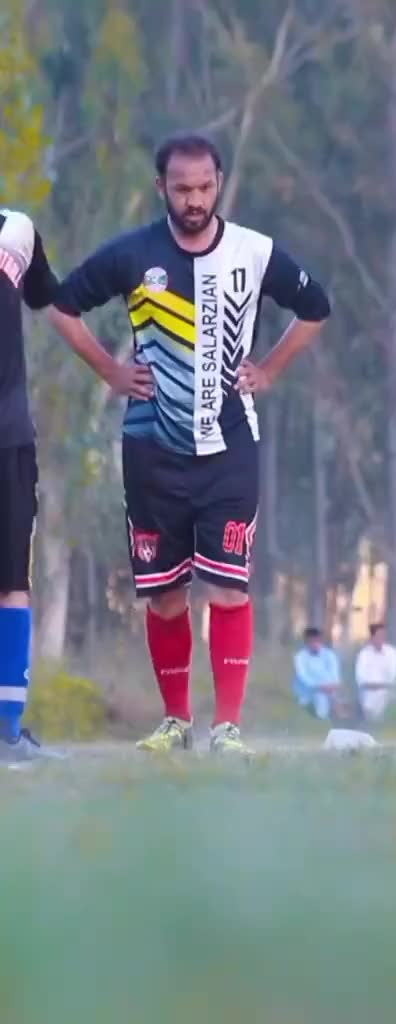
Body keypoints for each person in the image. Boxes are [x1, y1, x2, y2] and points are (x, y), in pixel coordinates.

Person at [49, 134, 331, 754]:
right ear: (162, 188)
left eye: (204, 187)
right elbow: (61, 304)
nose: (194, 199)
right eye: (182, 189)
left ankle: (227, 727)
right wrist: (110, 371)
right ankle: (176, 721)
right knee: (164, 595)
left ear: (219, 183)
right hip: (151, 450)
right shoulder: (133, 253)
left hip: (230, 447)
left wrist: (271, 369)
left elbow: (316, 306)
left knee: (229, 587)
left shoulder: (254, 251)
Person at [0, 209, 148, 763]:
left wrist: (111, 368)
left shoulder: (16, 231)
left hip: (7, 440)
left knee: (11, 582)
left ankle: (6, 732)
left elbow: (56, 303)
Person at [292, 627, 342, 721]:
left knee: (337, 701)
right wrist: (320, 687)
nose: (315, 644)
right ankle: (321, 720)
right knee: (320, 699)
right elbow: (303, 677)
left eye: (317, 641)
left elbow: (335, 675)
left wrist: (331, 686)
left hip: (329, 689)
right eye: (312, 641)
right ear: (307, 642)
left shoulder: (329, 655)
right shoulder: (300, 657)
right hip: (308, 691)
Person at [354, 623, 396, 722]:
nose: (381, 639)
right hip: (368, 691)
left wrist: (384, 686)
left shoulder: (392, 652)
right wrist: (375, 685)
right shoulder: (364, 654)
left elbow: (393, 675)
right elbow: (360, 678)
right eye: (378, 636)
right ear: (372, 638)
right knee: (369, 700)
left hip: (386, 690)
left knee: (389, 696)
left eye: (383, 636)